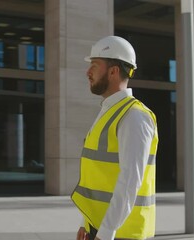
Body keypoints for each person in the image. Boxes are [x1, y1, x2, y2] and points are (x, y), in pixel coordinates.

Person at [71, 36, 159, 240]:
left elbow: (130, 181)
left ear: (113, 71)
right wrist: (86, 224)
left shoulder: (135, 116)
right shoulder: (109, 111)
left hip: (121, 233)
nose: (88, 72)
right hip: (99, 229)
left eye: (94, 65)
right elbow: (98, 177)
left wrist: (106, 233)